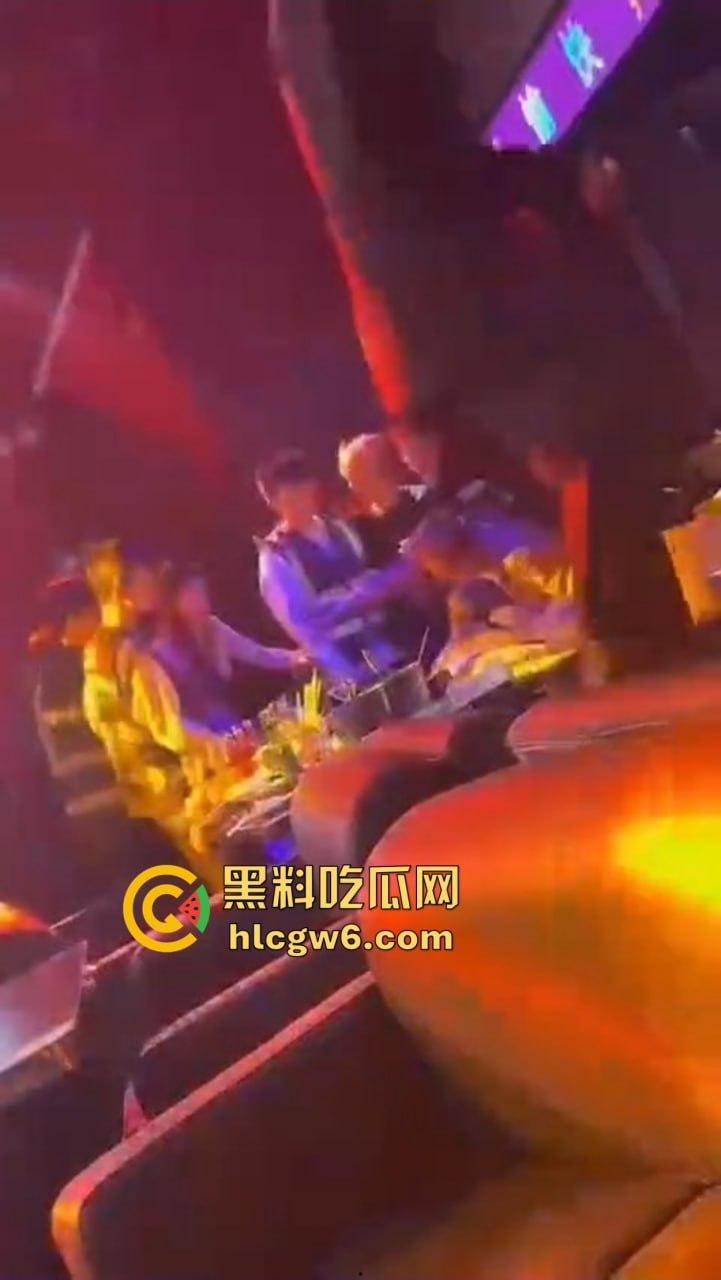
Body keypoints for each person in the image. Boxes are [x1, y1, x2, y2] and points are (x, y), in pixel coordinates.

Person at [256, 448, 418, 684]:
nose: (303, 500)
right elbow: (305, 622)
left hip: (390, 649)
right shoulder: (277, 558)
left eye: (305, 490)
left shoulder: (341, 529)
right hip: (347, 670)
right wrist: (370, 594)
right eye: (292, 496)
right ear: (273, 502)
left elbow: (373, 573)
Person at [143, 563, 307, 739]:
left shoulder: (213, 628)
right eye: (192, 594)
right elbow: (175, 718)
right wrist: (213, 742)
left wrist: (298, 657)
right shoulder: (163, 650)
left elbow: (258, 654)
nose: (201, 599)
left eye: (202, 591)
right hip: (199, 741)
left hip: (231, 729)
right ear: (173, 602)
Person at [337, 432, 428, 564]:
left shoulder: (425, 505)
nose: (353, 488)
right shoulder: (361, 532)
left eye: (358, 478)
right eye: (350, 480)